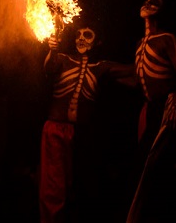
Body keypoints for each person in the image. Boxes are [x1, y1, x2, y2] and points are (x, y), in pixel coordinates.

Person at [39, 17, 133, 223]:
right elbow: (49, 68)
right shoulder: (62, 59)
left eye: (87, 35)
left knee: (81, 185)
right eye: (78, 35)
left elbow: (134, 71)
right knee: (53, 186)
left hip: (83, 134)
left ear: (98, 42)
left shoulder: (102, 67)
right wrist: (52, 50)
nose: (81, 39)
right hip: (56, 130)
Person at [125, 0, 176, 223]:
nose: (148, 3)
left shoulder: (166, 38)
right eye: (146, 0)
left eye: (155, 2)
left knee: (153, 165)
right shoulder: (140, 43)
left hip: (164, 107)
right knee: (143, 164)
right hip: (148, 108)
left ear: (161, 10)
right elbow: (135, 78)